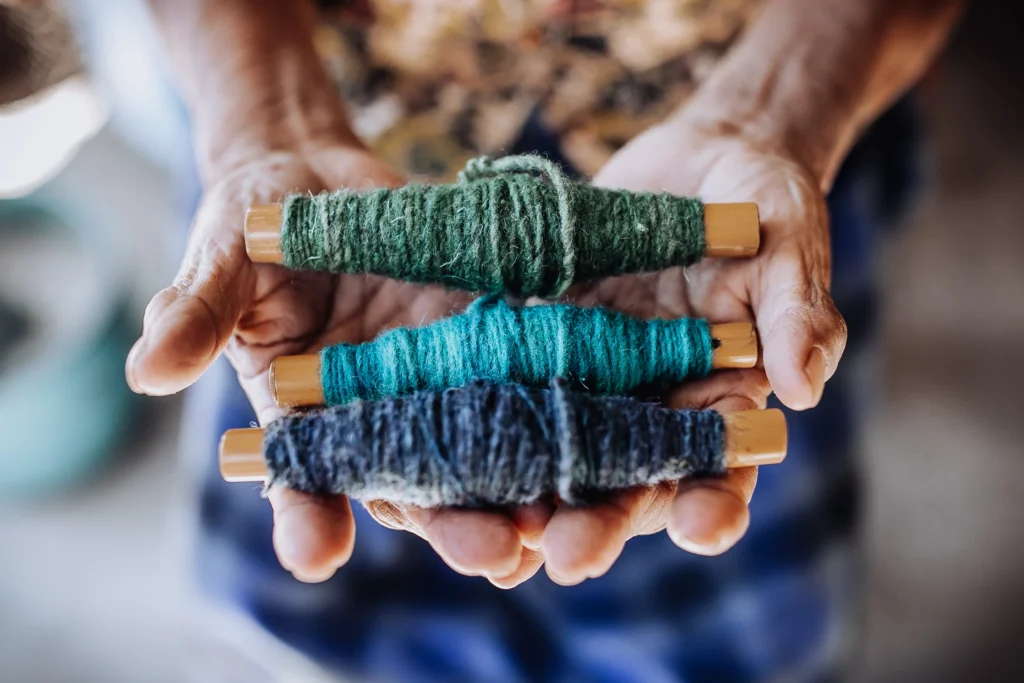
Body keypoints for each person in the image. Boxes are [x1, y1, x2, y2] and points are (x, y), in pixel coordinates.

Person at [126, 1, 963, 680]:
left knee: (737, 632)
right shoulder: (311, 241)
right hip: (342, 115)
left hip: (739, 101)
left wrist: (774, 112)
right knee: (308, 605)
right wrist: (265, 121)